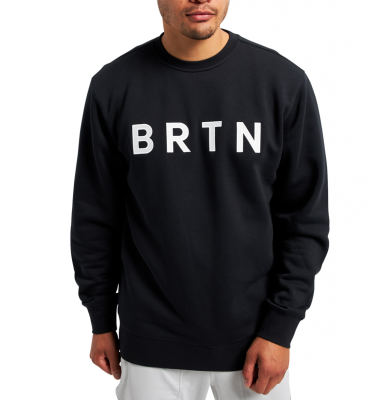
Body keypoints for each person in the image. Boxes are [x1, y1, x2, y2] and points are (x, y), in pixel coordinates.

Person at [70, 0, 330, 398]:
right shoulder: (114, 85)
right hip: (151, 341)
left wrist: (280, 327)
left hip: (257, 341)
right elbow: (96, 215)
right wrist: (101, 319)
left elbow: (304, 219)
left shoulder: (281, 82)